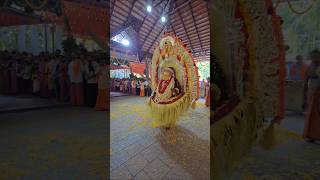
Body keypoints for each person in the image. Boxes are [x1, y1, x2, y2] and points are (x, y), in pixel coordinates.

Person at [303, 50, 320, 142]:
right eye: (314, 57)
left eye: (317, 57)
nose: (315, 59)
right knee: (311, 113)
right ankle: (310, 135)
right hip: (312, 91)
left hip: (318, 92)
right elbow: (306, 80)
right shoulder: (310, 66)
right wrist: (305, 95)